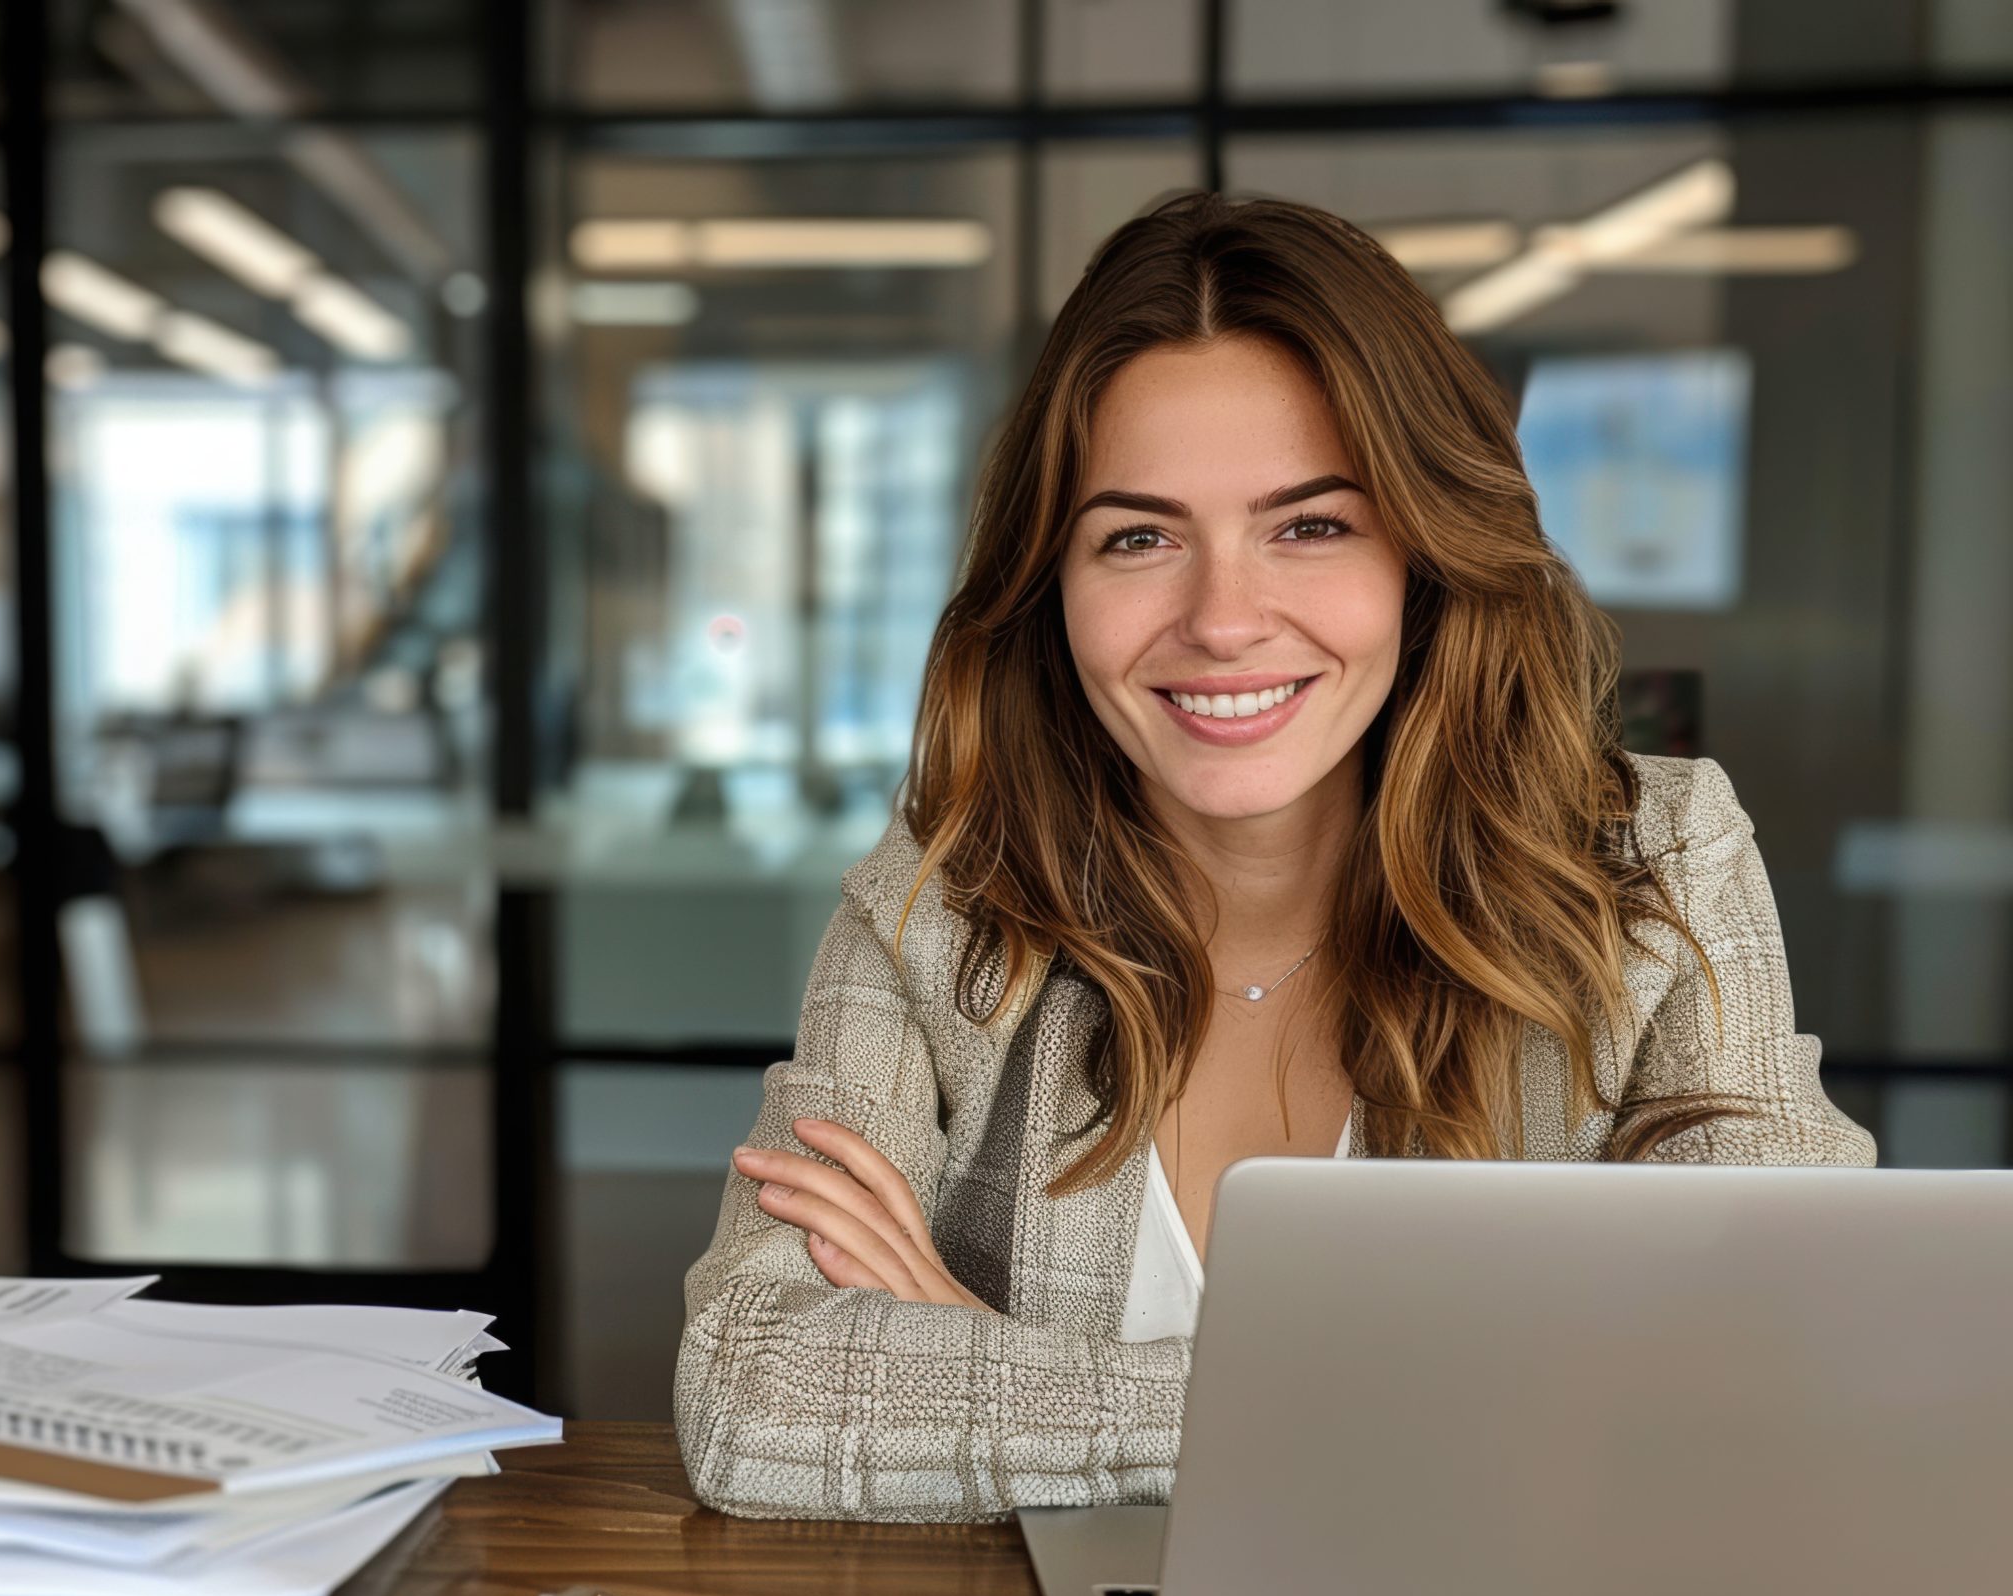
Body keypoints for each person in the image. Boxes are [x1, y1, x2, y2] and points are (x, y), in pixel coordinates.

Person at [674, 191, 1874, 1524]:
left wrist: (980, 1353)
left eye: (1311, 524)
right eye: (1137, 536)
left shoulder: (1659, 872)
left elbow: (1782, 1373)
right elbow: (755, 1395)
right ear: (1048, 584)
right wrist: (1421, 1404)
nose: (1223, 619)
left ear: (1424, 552)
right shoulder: (947, 899)